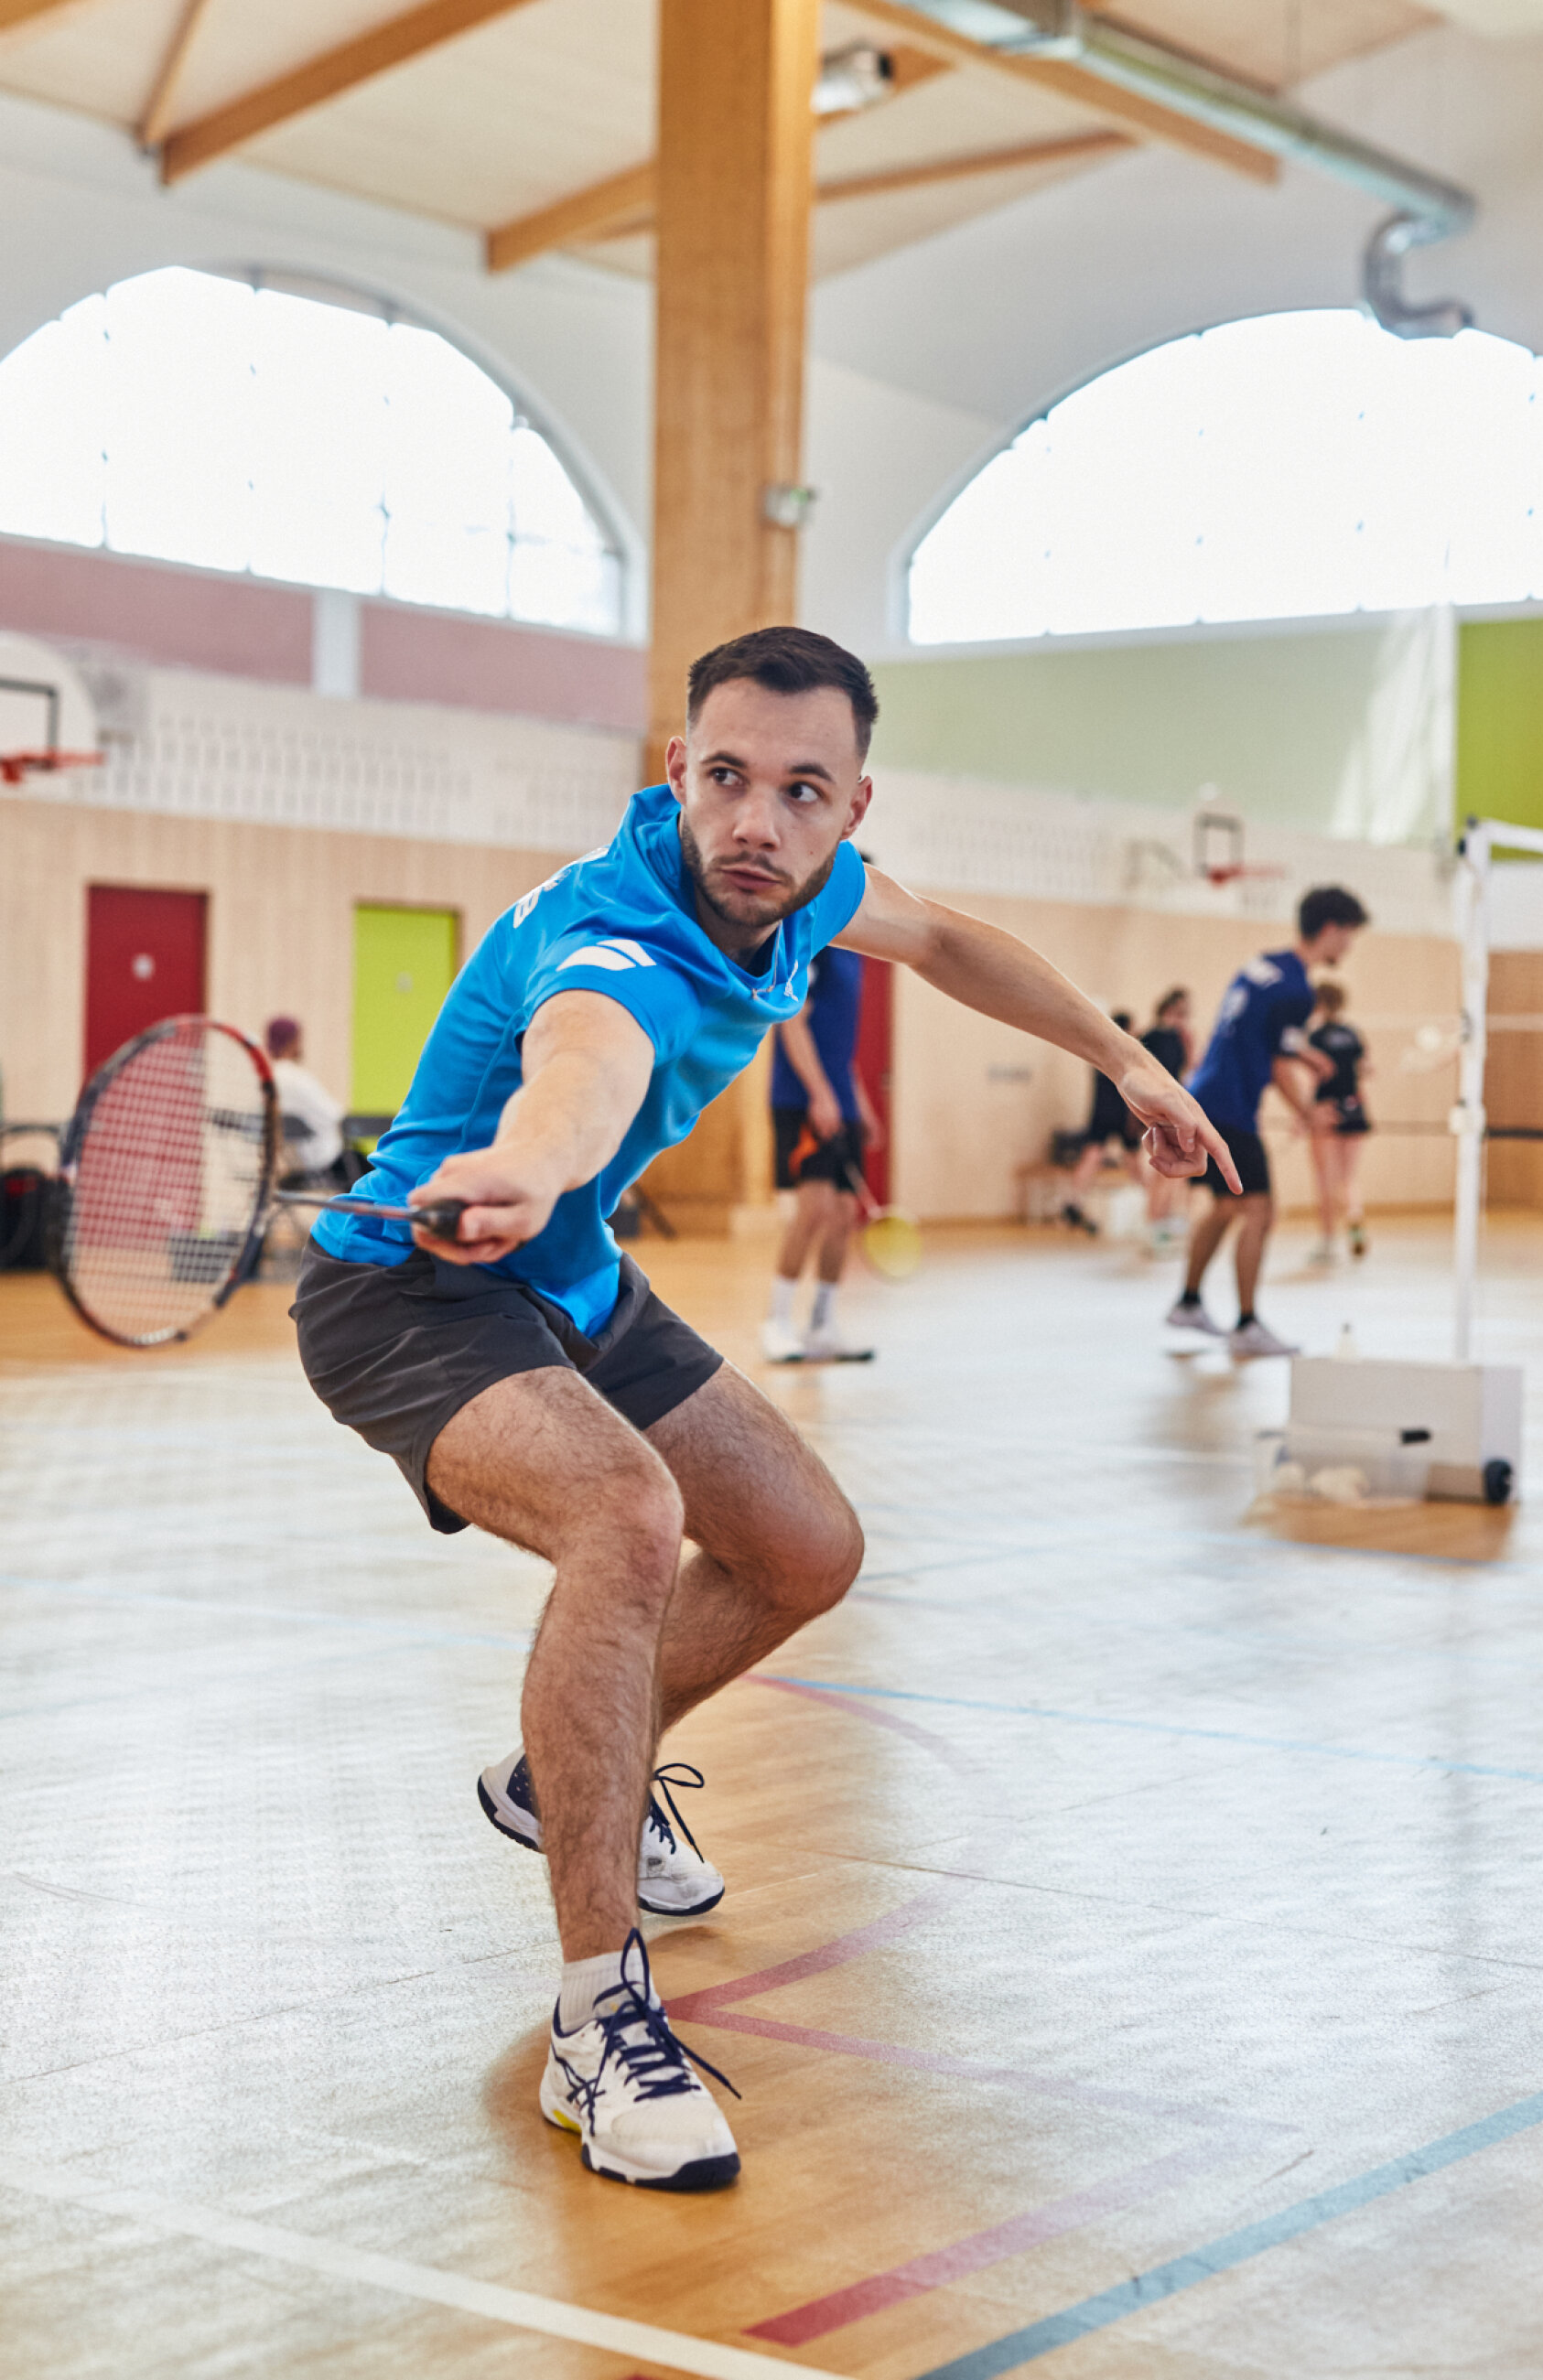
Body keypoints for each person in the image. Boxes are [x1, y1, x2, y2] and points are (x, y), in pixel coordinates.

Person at [292, 625, 1237, 2197]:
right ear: (678, 770)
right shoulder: (617, 940)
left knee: (806, 1547)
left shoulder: (809, 888)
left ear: (850, 808)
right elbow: (583, 1066)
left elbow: (946, 941)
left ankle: (558, 1776)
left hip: (570, 1276)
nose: (756, 819)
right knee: (626, 1516)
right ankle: (600, 2020)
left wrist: (1126, 1058)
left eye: (802, 790)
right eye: (725, 776)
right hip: (412, 1288)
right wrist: (526, 1161)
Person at [1167, 886, 1368, 1358]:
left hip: (1205, 1095)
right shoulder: (1298, 990)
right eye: (1349, 935)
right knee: (1259, 1211)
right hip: (1232, 1107)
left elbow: (1263, 1036)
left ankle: (1188, 1303)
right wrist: (1307, 1112)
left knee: (1224, 1207)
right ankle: (1247, 1324)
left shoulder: (1263, 966)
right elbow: (1277, 1063)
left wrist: (1305, 1053)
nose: (1349, 947)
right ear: (1331, 929)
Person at [762, 938, 885, 1363]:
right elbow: (792, 1023)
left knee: (844, 1214)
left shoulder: (856, 955)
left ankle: (822, 1325)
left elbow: (838, 1046)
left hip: (839, 1101)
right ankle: (776, 1323)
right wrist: (819, 1093)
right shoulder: (815, 947)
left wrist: (859, 1105)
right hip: (800, 1099)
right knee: (814, 1209)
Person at [1304, 981, 1373, 1264]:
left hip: (1326, 1110)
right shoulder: (1353, 1034)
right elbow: (1366, 1069)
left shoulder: (1315, 1037)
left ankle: (1328, 1241)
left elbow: (1314, 1077)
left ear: (1318, 1003)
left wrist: (1304, 1114)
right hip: (1355, 1109)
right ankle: (1355, 1222)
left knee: (1325, 1179)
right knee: (1348, 1177)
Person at [1061, 1011, 1143, 1233]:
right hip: (1121, 1113)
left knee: (1093, 1155)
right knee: (1133, 1159)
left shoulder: (1098, 1051)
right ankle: (1145, 1203)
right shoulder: (1126, 1053)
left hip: (1100, 1112)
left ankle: (1074, 1200)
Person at [1140, 989, 1196, 1256]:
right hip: (1159, 1107)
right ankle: (1154, 1226)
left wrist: (1190, 1044)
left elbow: (1190, 1069)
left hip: (1177, 1104)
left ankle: (1163, 1224)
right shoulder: (1151, 1036)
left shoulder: (1180, 1037)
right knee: (1163, 1170)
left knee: (1177, 1171)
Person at [264, 1016, 349, 1184]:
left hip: (291, 1161)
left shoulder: (267, 1079)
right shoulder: (296, 1078)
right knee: (374, 1174)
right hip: (322, 1159)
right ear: (293, 1041)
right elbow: (336, 1115)